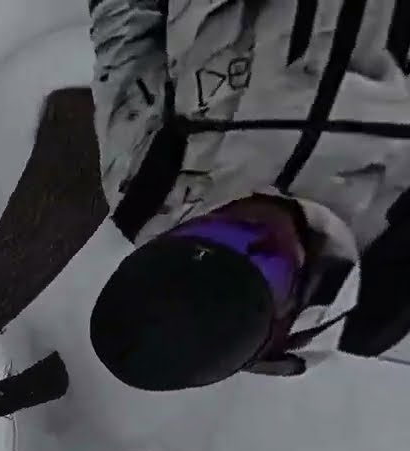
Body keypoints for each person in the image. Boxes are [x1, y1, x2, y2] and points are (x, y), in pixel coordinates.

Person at [85, 0, 410, 391]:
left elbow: (124, 32)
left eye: (211, 231)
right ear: (285, 316)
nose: (252, 223)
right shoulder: (389, 293)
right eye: (268, 260)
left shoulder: (146, 187)